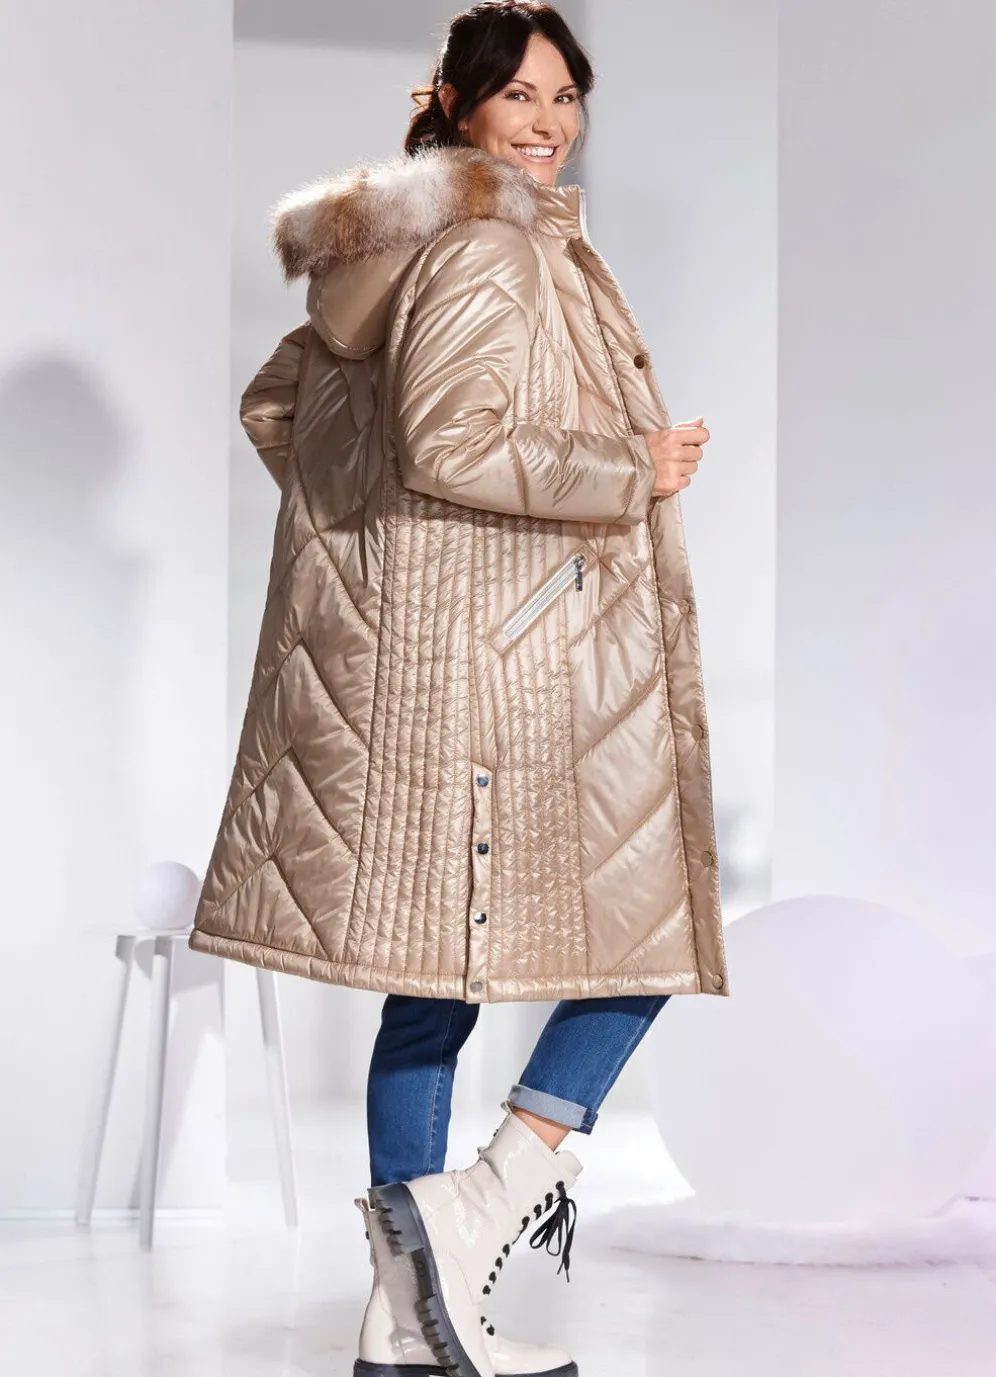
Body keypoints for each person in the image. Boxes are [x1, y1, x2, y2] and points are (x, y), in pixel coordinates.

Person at [190, 3, 729, 1374]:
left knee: (430, 988)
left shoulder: (381, 252)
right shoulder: (493, 244)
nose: (548, 123)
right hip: (506, 665)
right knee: (648, 936)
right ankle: (480, 1206)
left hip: (415, 664)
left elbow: (276, 410)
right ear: (456, 105)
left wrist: (379, 561)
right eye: (520, 97)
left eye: (566, 96)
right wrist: (633, 470)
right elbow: (447, 442)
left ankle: (404, 1317)